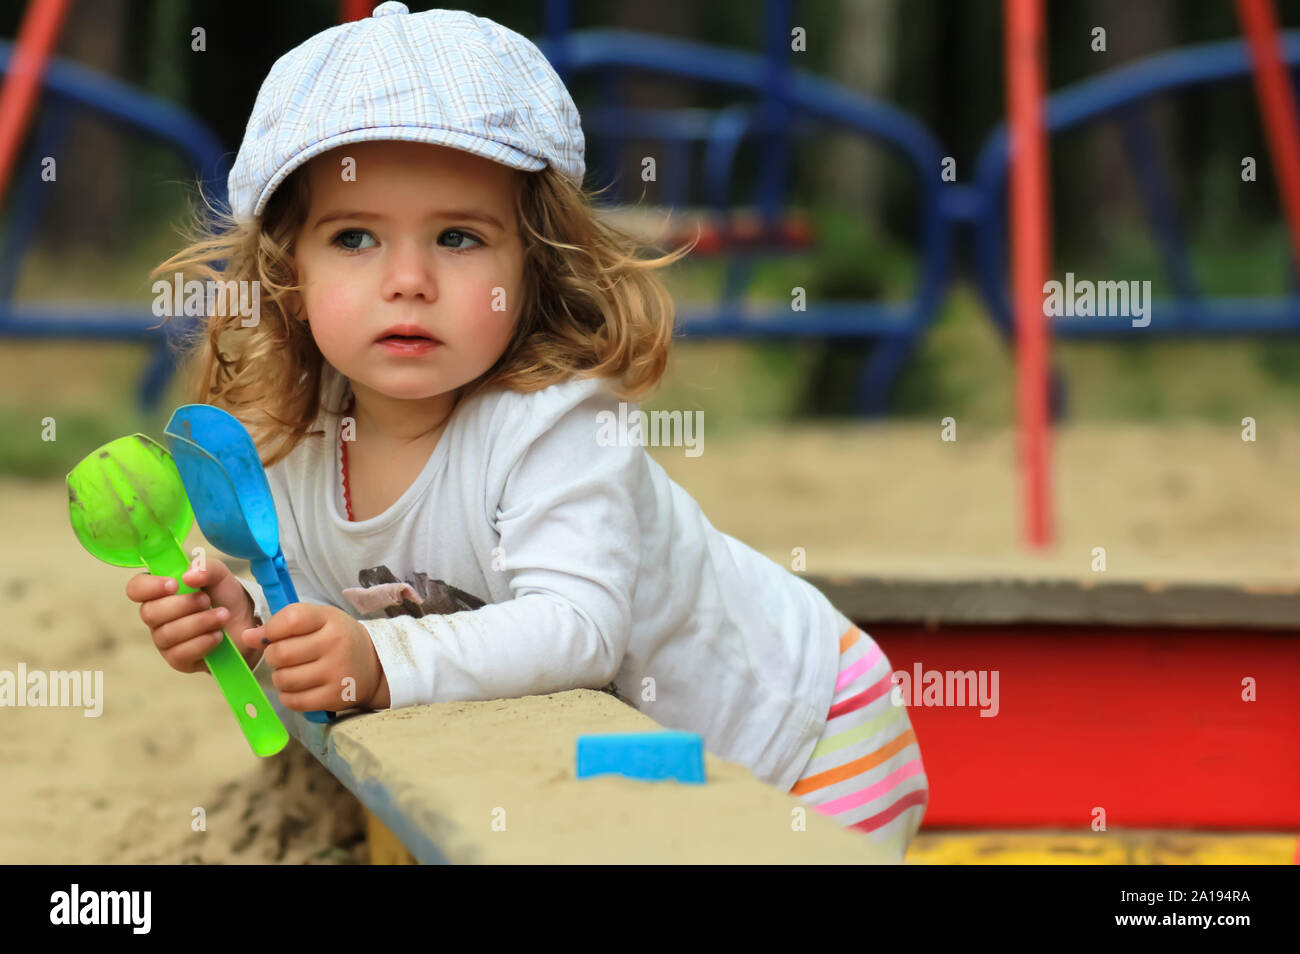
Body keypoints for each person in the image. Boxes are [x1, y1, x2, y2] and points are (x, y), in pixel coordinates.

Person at [125, 3, 928, 860]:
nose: (408, 280)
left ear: (535, 262)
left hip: (803, 742)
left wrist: (381, 660)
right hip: (629, 784)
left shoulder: (554, 420)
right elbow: (337, 669)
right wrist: (250, 627)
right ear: (289, 270)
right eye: (354, 236)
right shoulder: (292, 448)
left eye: (459, 237)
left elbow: (577, 628)